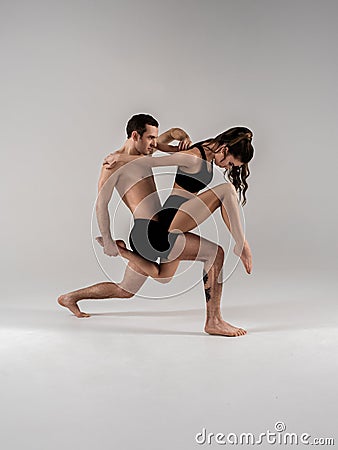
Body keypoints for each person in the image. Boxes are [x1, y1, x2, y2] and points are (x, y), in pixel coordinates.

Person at [58, 114, 246, 337]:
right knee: (214, 255)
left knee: (126, 290)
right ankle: (214, 321)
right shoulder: (113, 163)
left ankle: (70, 298)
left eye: (155, 138)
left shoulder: (143, 153)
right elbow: (101, 204)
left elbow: (172, 134)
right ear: (135, 135)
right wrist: (107, 240)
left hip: (155, 230)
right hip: (148, 232)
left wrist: (182, 136)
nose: (154, 144)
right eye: (150, 138)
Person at [103, 125, 254, 276]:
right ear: (225, 150)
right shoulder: (193, 157)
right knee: (227, 190)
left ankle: (122, 252)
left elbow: (172, 135)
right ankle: (241, 245)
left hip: (181, 215)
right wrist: (120, 157)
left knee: (163, 277)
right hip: (173, 215)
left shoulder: (207, 150)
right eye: (230, 163)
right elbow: (153, 163)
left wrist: (179, 139)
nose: (228, 168)